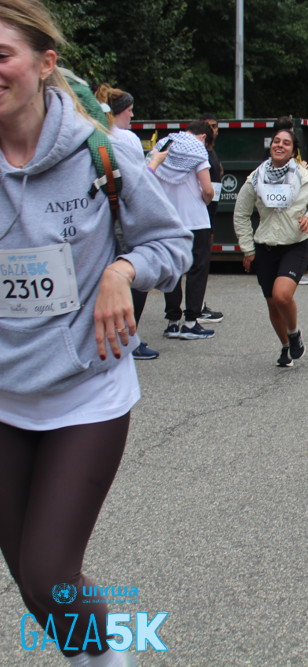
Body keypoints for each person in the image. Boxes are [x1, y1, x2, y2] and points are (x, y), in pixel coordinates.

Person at [0, 2, 192, 665]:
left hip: (86, 391)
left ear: (44, 63)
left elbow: (172, 243)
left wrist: (122, 269)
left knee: (49, 572)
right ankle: (93, 657)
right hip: (4, 395)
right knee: (33, 585)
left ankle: (110, 656)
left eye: (2, 55)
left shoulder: (99, 153)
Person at [233, 128, 308, 367]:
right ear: (271, 146)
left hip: (295, 245)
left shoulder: (305, 177)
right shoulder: (255, 178)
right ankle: (285, 347)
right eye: (276, 141)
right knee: (272, 303)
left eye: (286, 143)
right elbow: (241, 214)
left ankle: (294, 333)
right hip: (265, 247)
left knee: (282, 296)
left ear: (293, 151)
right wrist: (248, 248)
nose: (280, 145)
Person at [94, 83, 160, 361]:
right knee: (135, 279)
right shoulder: (126, 139)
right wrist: (156, 160)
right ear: (118, 111)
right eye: (130, 110)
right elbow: (140, 184)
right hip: (124, 216)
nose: (132, 115)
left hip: (98, 221)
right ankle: (129, 340)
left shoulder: (93, 134)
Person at [149, 120, 217, 341]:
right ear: (204, 137)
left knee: (173, 270)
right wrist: (206, 200)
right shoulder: (197, 150)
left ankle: (172, 322)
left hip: (169, 219)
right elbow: (207, 189)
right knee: (197, 269)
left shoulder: (164, 144)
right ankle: (191, 322)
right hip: (195, 219)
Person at [197, 113, 225, 323]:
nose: (211, 130)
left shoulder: (211, 151)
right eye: (207, 126)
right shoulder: (198, 153)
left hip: (210, 214)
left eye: (214, 126)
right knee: (197, 264)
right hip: (200, 215)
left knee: (204, 262)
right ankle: (194, 310)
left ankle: (199, 304)